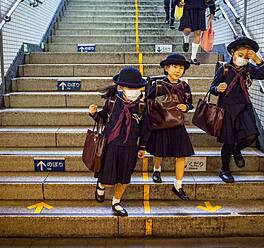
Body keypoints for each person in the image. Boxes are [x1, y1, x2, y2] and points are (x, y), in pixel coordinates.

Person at [209, 37, 264, 183]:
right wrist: (217, 89)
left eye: (246, 56)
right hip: (227, 108)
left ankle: (237, 150)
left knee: (252, 136)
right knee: (229, 141)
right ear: (232, 53)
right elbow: (212, 88)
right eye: (240, 55)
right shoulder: (224, 68)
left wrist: (257, 59)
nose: (243, 59)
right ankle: (224, 169)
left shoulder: (250, 69)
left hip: (244, 106)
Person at [89, 67, 149, 216]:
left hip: (130, 146)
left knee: (124, 178)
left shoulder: (141, 106)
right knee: (108, 176)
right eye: (130, 87)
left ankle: (116, 202)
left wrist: (142, 147)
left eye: (136, 87)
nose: (134, 90)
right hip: (111, 144)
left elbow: (145, 128)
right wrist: (94, 114)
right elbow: (102, 118)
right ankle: (101, 184)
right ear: (121, 87)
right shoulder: (113, 101)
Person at [146, 53, 194, 200]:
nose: (178, 70)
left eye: (181, 68)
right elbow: (148, 102)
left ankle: (178, 185)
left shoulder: (185, 86)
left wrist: (186, 107)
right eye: (174, 66)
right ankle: (156, 169)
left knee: (182, 154)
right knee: (159, 151)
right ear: (166, 68)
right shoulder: (158, 85)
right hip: (161, 123)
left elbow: (190, 103)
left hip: (178, 123)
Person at [174, 0, 216, 65]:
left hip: (200, 8)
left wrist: (212, 11)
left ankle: (193, 58)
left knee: (198, 32)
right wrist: (177, 2)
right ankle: (186, 41)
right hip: (186, 7)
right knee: (187, 30)